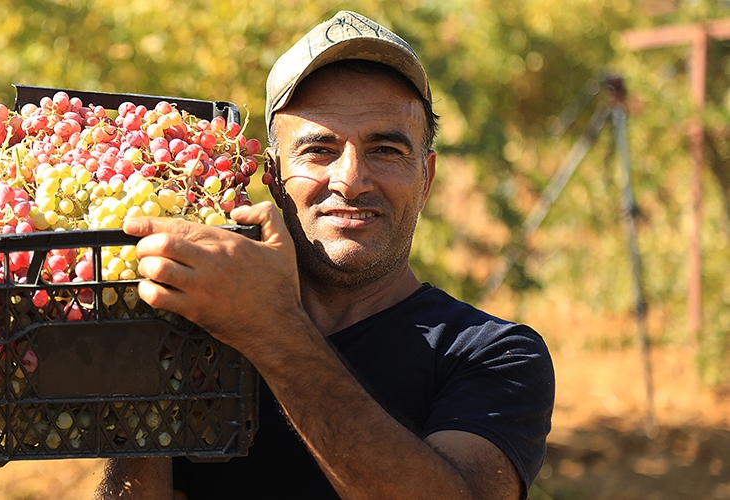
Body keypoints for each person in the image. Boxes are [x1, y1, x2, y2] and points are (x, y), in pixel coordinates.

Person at [98, 10, 555, 500]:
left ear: (426, 179)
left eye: (385, 150)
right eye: (319, 150)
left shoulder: (494, 355)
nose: (351, 181)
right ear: (273, 177)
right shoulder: (204, 329)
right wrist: (149, 362)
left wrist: (270, 326)